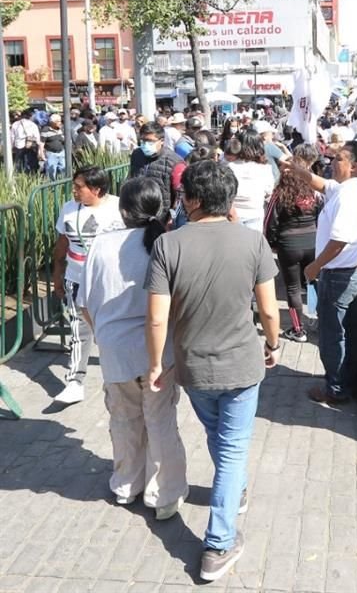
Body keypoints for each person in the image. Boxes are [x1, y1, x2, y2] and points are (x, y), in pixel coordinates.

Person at [145, 159, 281, 582]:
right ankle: (218, 544)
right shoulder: (252, 243)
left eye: (184, 195)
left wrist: (154, 364)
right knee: (233, 447)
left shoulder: (169, 245)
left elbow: (156, 319)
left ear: (194, 199)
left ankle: (231, 490)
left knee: (220, 438)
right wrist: (273, 345)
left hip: (193, 366)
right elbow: (269, 310)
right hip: (242, 364)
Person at [76, 177, 188, 518]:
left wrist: (105, 337)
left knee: (123, 418)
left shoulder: (100, 245)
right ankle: (164, 495)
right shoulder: (168, 244)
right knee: (160, 420)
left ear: (123, 210)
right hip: (160, 351)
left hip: (115, 351)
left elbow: (85, 303)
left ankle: (126, 485)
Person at [297, 141, 357, 405]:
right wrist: (295, 169)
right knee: (351, 331)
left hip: (341, 275)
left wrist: (314, 266)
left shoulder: (349, 195)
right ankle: (348, 380)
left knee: (333, 334)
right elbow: (323, 184)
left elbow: (339, 240)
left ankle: (337, 388)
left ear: (353, 166)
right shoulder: (354, 186)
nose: (332, 161)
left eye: (339, 159)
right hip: (355, 271)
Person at [51, 168, 125, 404]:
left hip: (109, 282)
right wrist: (57, 273)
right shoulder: (68, 209)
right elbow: (62, 243)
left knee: (112, 329)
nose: (74, 190)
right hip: (76, 278)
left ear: (96, 189)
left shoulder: (119, 207)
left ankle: (120, 376)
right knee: (78, 329)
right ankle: (75, 382)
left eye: (79, 186)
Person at [265, 143, 322, 343]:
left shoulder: (279, 194)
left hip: (288, 243)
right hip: (313, 241)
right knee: (315, 281)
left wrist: (271, 242)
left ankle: (298, 330)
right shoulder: (314, 193)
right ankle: (322, 320)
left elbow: (269, 221)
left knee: (293, 288)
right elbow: (322, 216)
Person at [226, 129, 275, 230]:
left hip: (232, 215)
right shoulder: (265, 169)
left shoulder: (229, 167)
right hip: (255, 214)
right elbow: (269, 191)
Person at [137, 122, 188, 213]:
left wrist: (172, 218)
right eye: (143, 141)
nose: (145, 144)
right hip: (139, 212)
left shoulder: (174, 162)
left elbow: (180, 195)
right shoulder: (137, 155)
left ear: (162, 141)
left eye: (150, 141)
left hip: (163, 216)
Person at [11, 109, 40, 174]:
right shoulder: (33, 124)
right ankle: (32, 177)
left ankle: (21, 177)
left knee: (19, 163)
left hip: (19, 146)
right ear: (30, 116)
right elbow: (37, 137)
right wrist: (39, 149)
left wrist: (12, 146)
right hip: (31, 146)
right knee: (31, 163)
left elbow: (12, 137)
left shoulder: (15, 124)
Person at [40, 114, 67, 181]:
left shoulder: (62, 129)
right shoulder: (46, 130)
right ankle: (51, 186)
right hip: (51, 153)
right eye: (58, 121)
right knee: (51, 171)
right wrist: (41, 153)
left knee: (63, 168)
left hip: (61, 152)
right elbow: (41, 143)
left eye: (60, 121)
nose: (60, 123)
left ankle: (62, 184)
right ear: (52, 122)